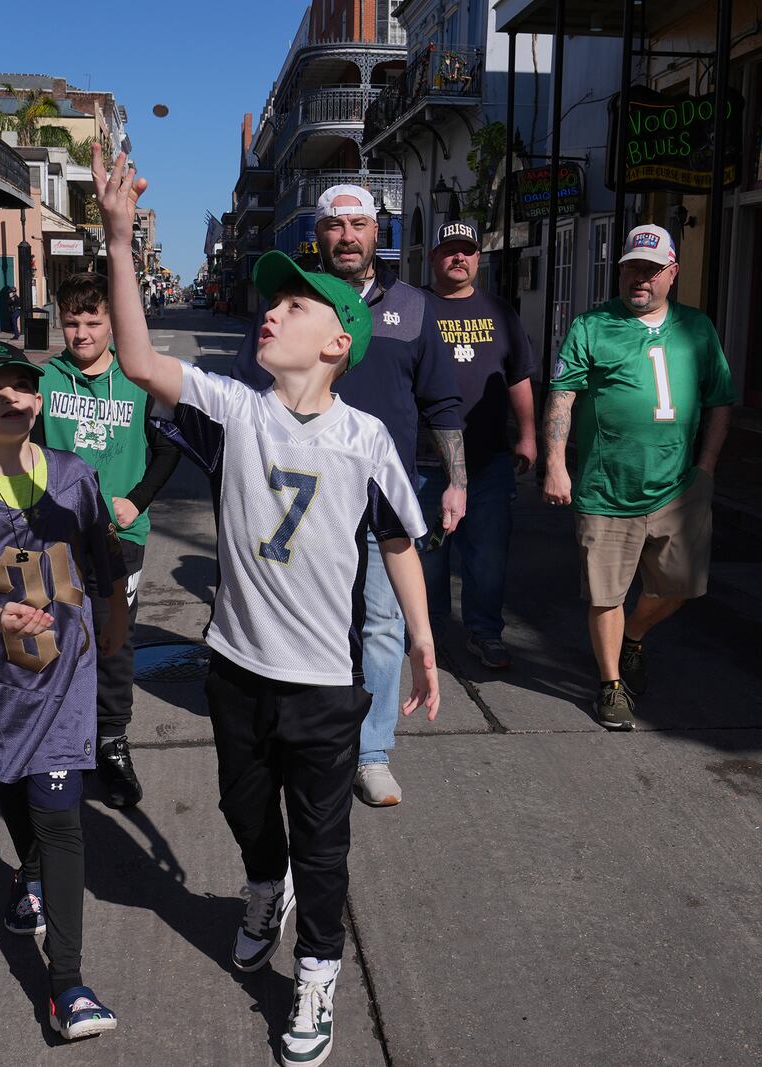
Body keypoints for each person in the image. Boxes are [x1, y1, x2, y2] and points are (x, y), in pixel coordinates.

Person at [95, 148, 438, 1067]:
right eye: (270, 299)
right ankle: (261, 888)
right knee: (247, 812)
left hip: (323, 689)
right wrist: (120, 241)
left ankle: (318, 973)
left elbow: (399, 540)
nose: (272, 309)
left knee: (324, 843)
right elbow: (136, 358)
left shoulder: (367, 439)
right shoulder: (236, 408)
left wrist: (422, 645)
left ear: (338, 342)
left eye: (295, 303)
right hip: (237, 670)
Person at [0, 340, 130, 1041]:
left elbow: (104, 563)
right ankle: (26, 870)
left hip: (67, 683)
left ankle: (65, 984)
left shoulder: (75, 476)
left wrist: (115, 627)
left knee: (62, 817)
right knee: (13, 800)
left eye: (23, 387)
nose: (14, 400)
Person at [232, 183, 463, 809]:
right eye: (335, 225)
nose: (347, 236)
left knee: (385, 623)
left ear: (377, 231)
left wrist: (457, 480)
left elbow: (442, 403)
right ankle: (306, 736)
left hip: (384, 491)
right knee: (320, 620)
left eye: (359, 224)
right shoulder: (294, 303)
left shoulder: (415, 308)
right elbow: (251, 395)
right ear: (320, 234)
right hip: (303, 496)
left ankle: (372, 752)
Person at [543, 225, 734, 730]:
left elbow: (720, 402)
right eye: (631, 269)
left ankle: (633, 640)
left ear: (672, 273)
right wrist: (556, 464)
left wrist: (706, 469)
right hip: (606, 489)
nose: (639, 280)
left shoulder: (697, 329)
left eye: (650, 271)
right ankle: (610, 685)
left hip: (679, 488)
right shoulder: (591, 325)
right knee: (606, 593)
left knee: (680, 587)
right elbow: (562, 395)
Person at [36, 270, 182, 809]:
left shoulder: (138, 381)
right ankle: (63, 742)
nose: (81, 334)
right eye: (71, 322)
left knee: (113, 641)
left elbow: (169, 451)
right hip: (56, 539)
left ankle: (112, 740)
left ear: (111, 323)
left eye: (93, 321)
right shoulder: (45, 382)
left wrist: (135, 501)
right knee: (58, 640)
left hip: (122, 536)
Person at [418, 221, 538, 669]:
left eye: (467, 251)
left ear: (477, 258)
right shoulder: (416, 308)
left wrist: (527, 436)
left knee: (487, 556)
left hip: (488, 459)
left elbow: (519, 378)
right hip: (425, 460)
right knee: (428, 556)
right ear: (433, 258)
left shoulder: (500, 312)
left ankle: (484, 633)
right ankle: (427, 636)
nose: (459, 258)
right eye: (449, 251)